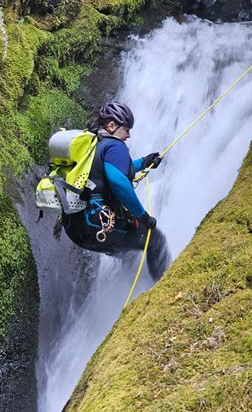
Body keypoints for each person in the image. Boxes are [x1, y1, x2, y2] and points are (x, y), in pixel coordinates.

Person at [61, 100, 171, 281]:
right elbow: (118, 181)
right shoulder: (114, 146)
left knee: (129, 253)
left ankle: (130, 291)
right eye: (126, 130)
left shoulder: (93, 143)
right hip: (98, 224)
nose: (128, 135)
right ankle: (167, 288)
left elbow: (108, 171)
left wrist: (144, 163)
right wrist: (143, 216)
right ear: (112, 126)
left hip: (75, 227)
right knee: (155, 239)